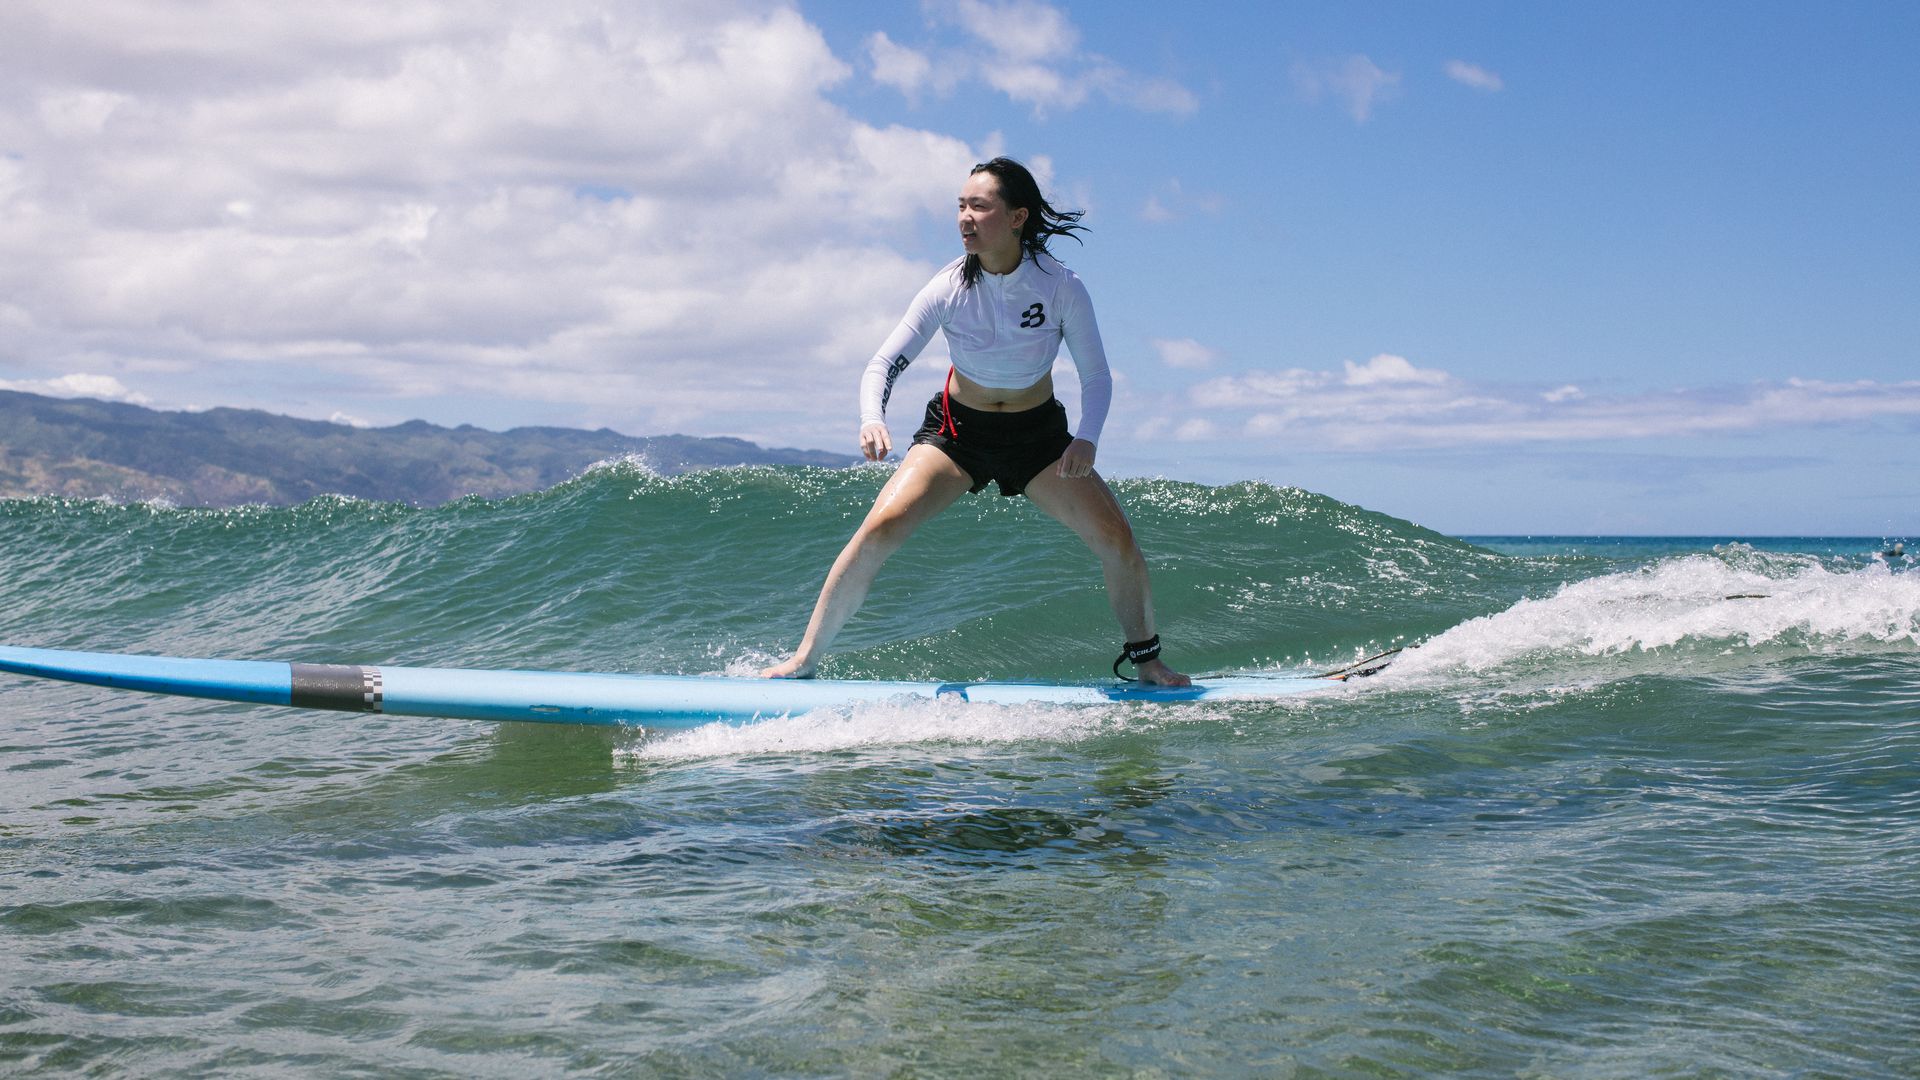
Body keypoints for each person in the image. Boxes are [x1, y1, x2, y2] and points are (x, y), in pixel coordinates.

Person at [761, 157, 1189, 686]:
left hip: (1038, 438)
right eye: (960, 206)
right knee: (879, 527)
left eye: (979, 206)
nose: (965, 217)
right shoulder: (947, 287)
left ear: (1016, 217)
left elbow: (1096, 376)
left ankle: (1148, 662)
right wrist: (873, 418)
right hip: (958, 432)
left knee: (1117, 540)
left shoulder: (1060, 287)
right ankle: (804, 659)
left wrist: (1086, 438)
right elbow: (884, 363)